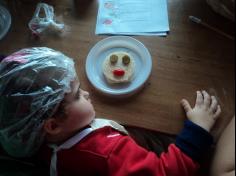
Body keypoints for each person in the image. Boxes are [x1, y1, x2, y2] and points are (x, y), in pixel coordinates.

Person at [0, 47, 221, 176]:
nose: (86, 94)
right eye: (77, 94)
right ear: (53, 125)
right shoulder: (109, 153)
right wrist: (197, 129)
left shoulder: (30, 137)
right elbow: (166, 172)